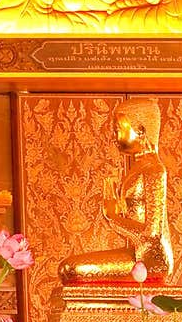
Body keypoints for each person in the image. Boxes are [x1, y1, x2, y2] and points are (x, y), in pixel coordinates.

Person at [59, 96, 173, 282]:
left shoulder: (154, 170)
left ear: (140, 131)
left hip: (152, 259)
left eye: (118, 130)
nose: (114, 136)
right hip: (137, 253)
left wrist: (113, 217)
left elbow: (152, 234)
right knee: (67, 269)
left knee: (70, 269)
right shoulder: (139, 167)